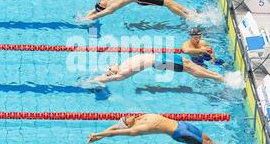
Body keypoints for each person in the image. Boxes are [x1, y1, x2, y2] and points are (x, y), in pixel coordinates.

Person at [87, 113, 227, 144]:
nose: (128, 116)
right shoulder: (136, 129)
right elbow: (115, 131)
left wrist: (99, 136)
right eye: (126, 119)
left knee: (208, 140)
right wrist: (98, 135)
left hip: (183, 124)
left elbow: (114, 127)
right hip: (180, 133)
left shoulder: (140, 117)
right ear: (127, 125)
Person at [89, 52, 225, 84]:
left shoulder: (121, 65)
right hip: (159, 62)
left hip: (160, 56)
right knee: (188, 69)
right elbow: (106, 79)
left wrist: (109, 69)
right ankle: (218, 78)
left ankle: (215, 74)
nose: (111, 67)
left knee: (187, 62)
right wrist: (92, 81)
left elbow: (113, 65)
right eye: (109, 70)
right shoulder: (122, 73)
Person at [84, 0, 192, 21]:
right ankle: (187, 17)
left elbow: (97, 10)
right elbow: (105, 12)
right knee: (168, 4)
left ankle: (187, 11)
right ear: (103, 6)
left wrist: (90, 13)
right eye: (99, 3)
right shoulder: (112, 6)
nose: (99, 0)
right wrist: (91, 18)